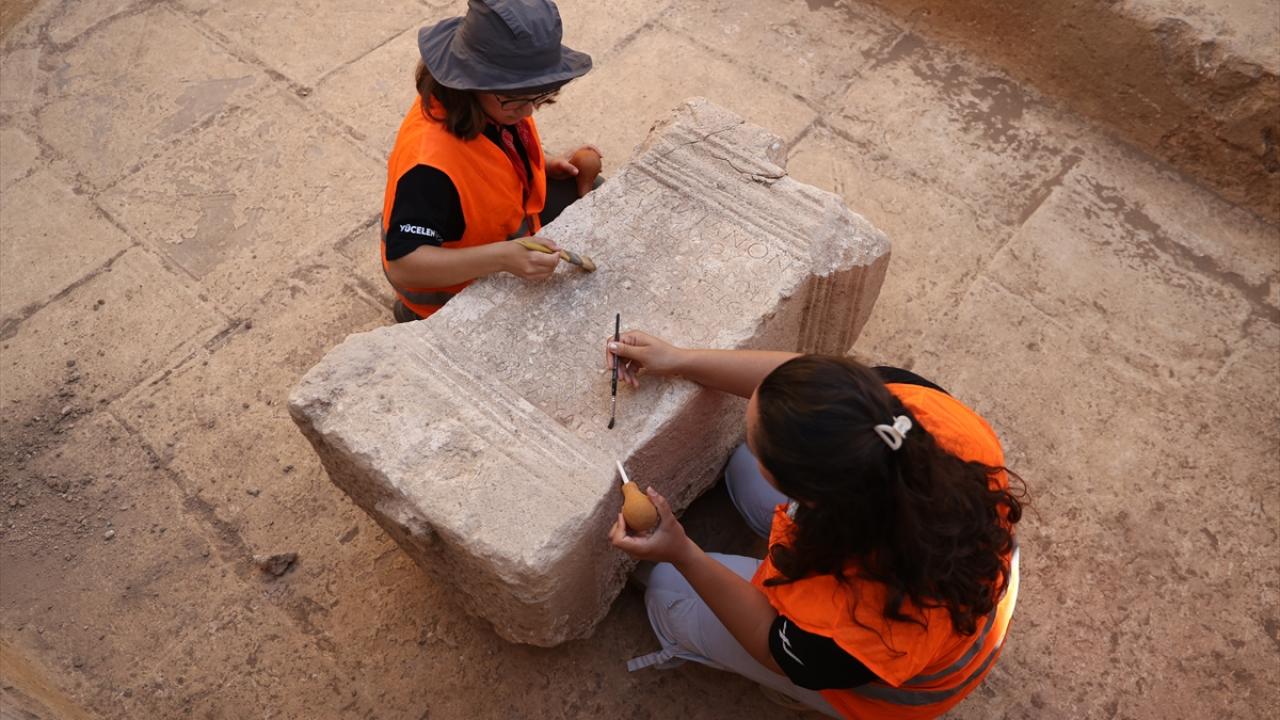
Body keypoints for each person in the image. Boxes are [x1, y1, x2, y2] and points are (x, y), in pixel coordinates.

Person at [604, 331, 1023, 719]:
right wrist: (680, 360)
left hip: (897, 682)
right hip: (959, 582)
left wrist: (681, 552)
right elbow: (801, 388)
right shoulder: (909, 417)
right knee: (745, 468)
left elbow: (769, 641)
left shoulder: (855, 622)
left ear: (811, 498)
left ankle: (812, 696)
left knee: (668, 591)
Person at [382, 0, 600, 322]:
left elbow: (488, 158)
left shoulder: (492, 105)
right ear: (470, 80)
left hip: (499, 231)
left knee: (592, 185)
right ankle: (411, 316)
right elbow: (403, 267)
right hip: (448, 299)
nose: (528, 110)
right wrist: (503, 259)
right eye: (516, 99)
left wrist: (542, 164)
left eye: (538, 96)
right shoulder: (428, 170)